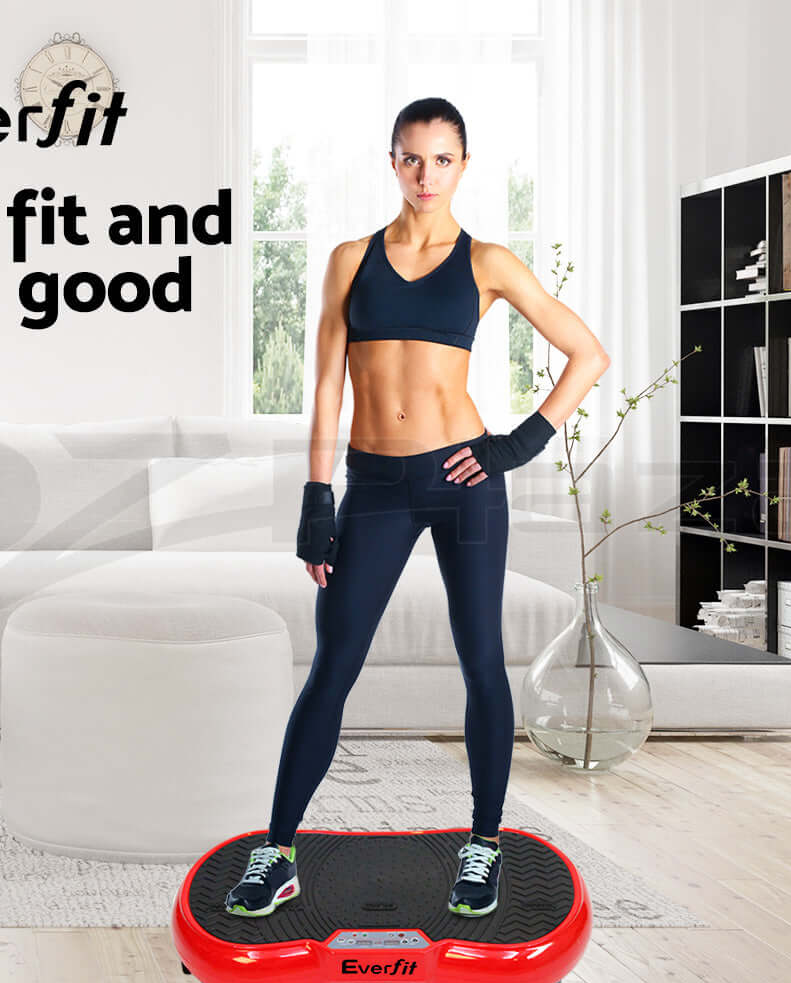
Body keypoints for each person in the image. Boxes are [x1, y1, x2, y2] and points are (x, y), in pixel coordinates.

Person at [226, 97, 609, 918]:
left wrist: (516, 445)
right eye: (411, 158)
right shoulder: (349, 260)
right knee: (333, 664)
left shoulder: (487, 262)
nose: (425, 174)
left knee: (481, 660)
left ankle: (483, 845)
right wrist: (316, 496)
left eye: (442, 159)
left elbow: (588, 353)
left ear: (463, 165)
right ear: (392, 161)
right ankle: (279, 851)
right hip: (374, 486)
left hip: (464, 479)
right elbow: (327, 387)